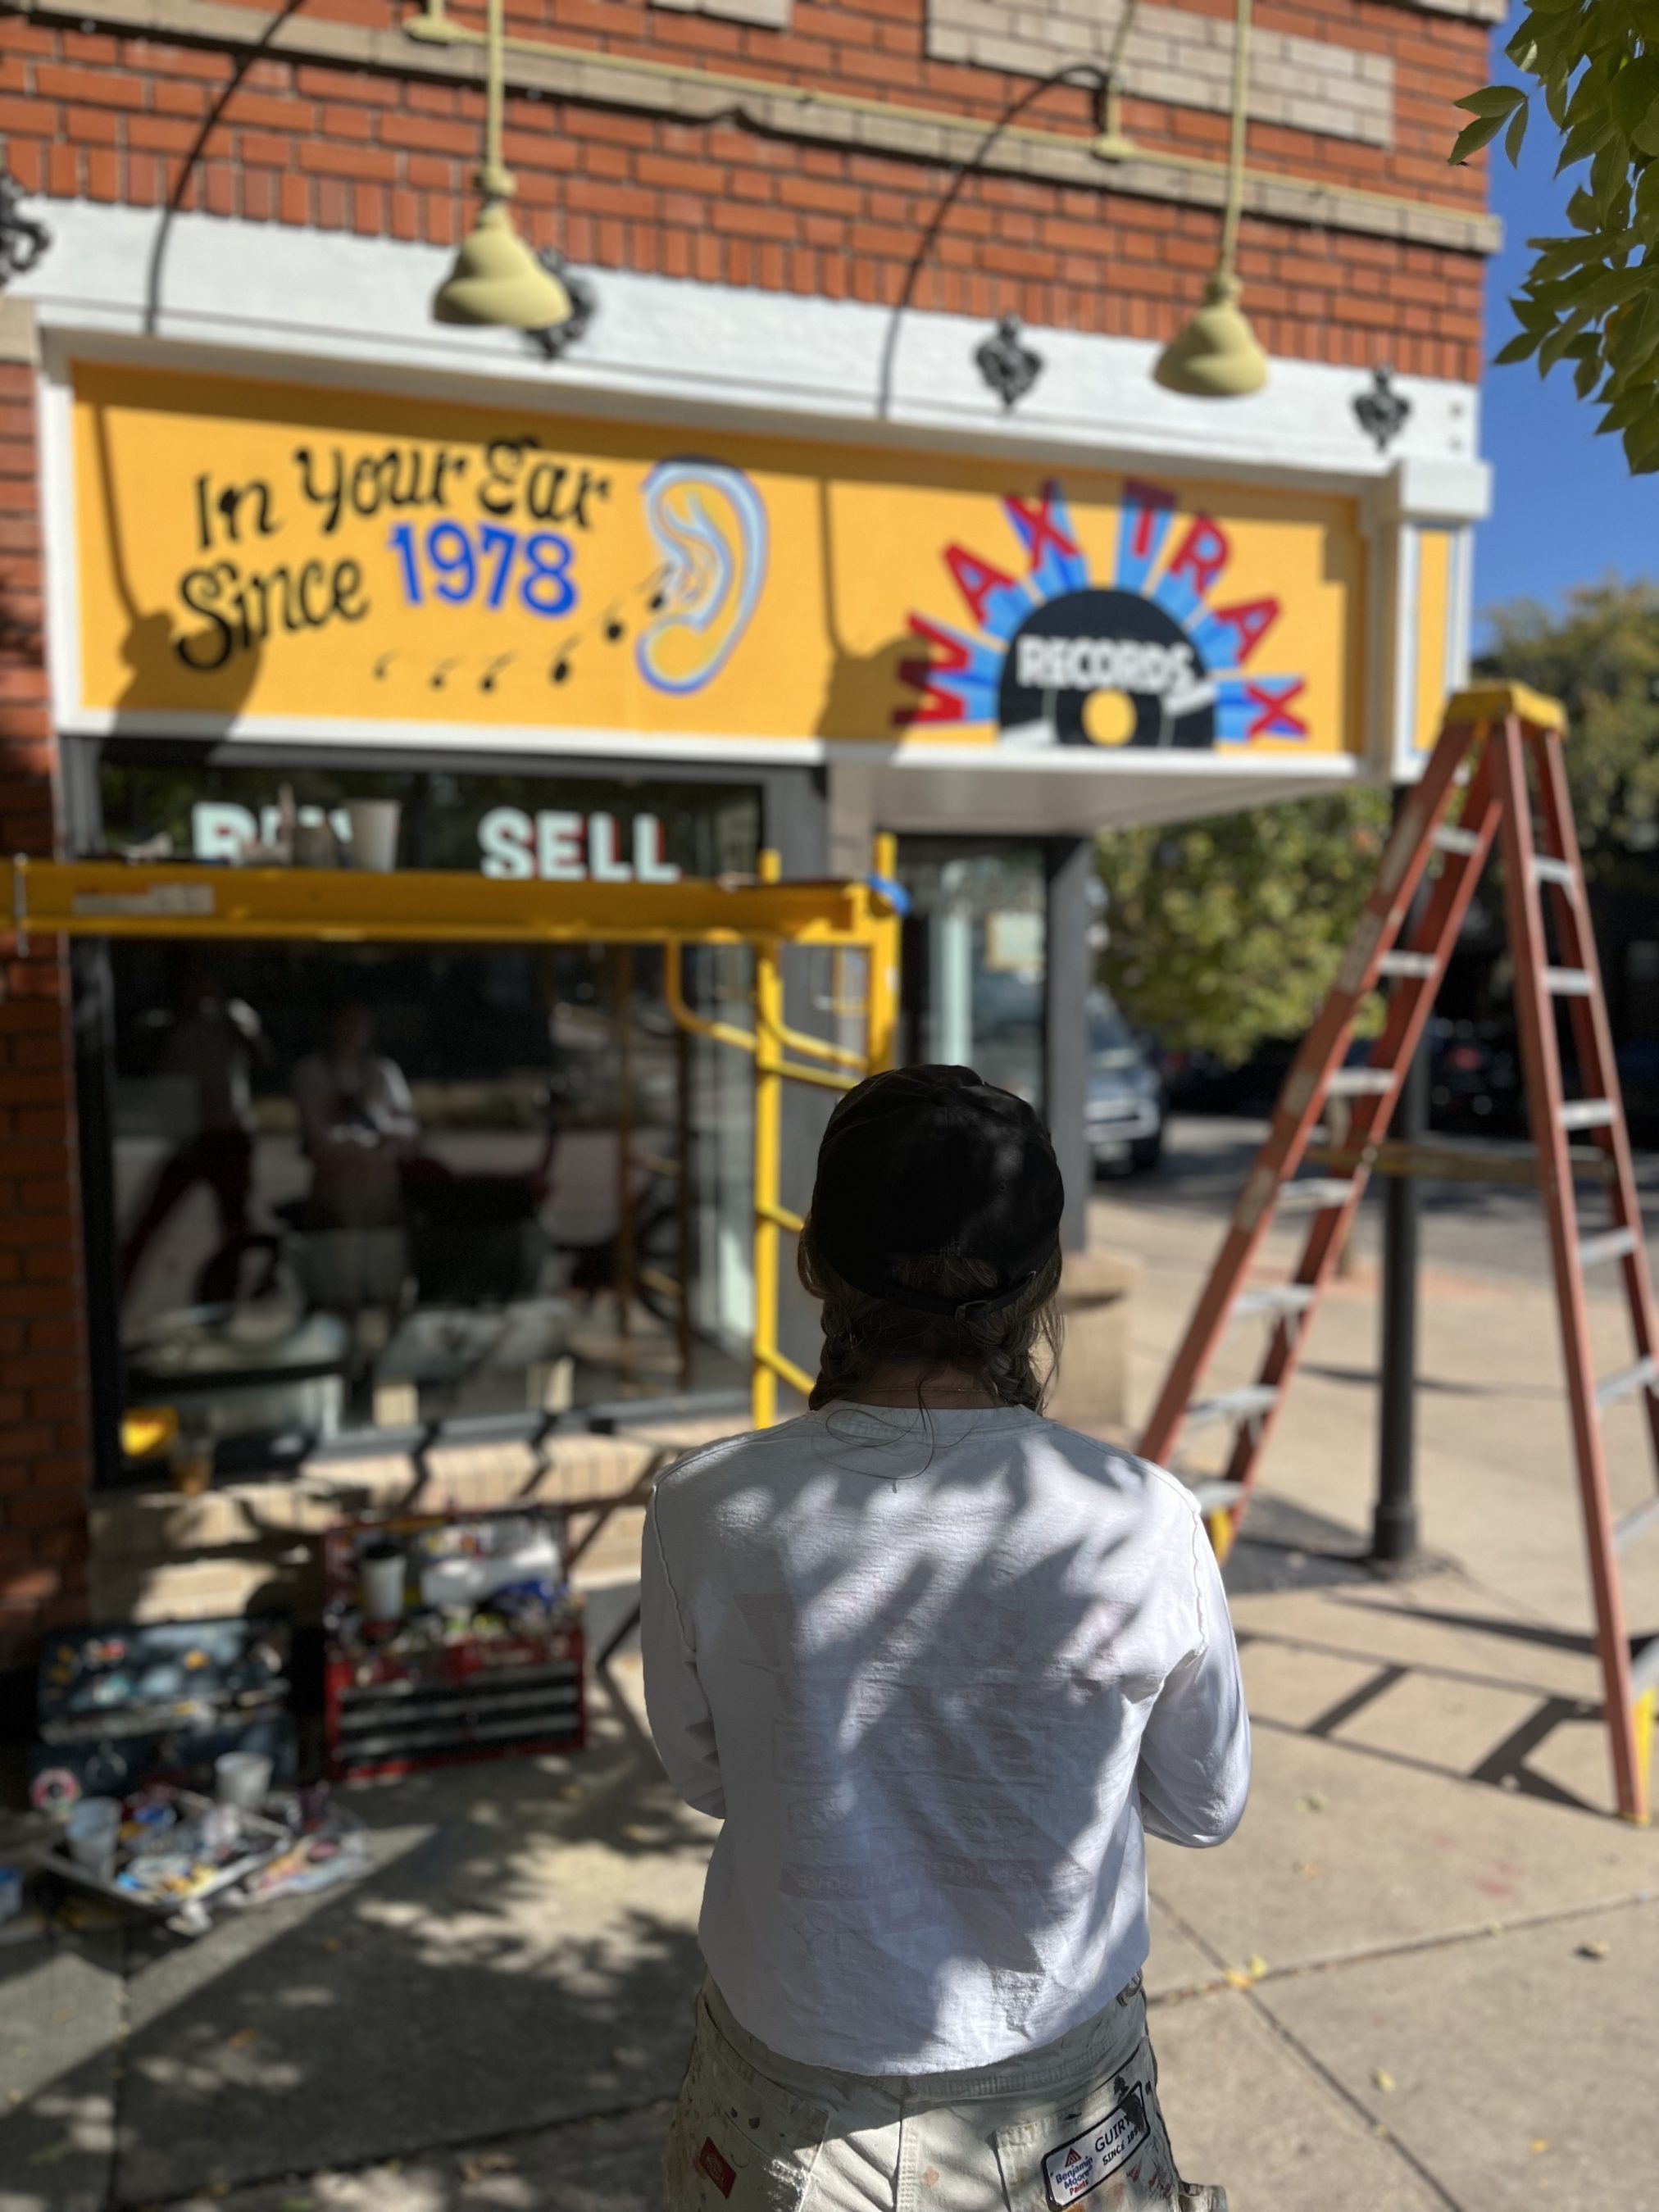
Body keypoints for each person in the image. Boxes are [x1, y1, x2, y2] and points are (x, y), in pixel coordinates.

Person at [641, 1065, 1248, 2211]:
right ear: (1043, 1284)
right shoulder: (1143, 1517)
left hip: (787, 2099)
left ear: (814, 1261)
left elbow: (705, 1772)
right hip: (1059, 2104)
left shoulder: (704, 1503)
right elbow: (1206, 1804)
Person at [120, 961, 267, 1305]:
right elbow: (157, 1071)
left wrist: (238, 1022)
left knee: (235, 1227)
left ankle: (225, 1301)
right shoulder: (176, 1026)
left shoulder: (230, 1020)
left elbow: (262, 1055)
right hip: (192, 1138)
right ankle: (117, 1296)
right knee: (150, 1219)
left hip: (228, 1133)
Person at [291, 1002, 418, 1231]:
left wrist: (381, 1128)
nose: (352, 1031)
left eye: (360, 1024)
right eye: (346, 1023)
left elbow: (407, 1127)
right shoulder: (311, 1072)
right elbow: (316, 1137)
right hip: (336, 1184)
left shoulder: (382, 1072)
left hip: (380, 1182)